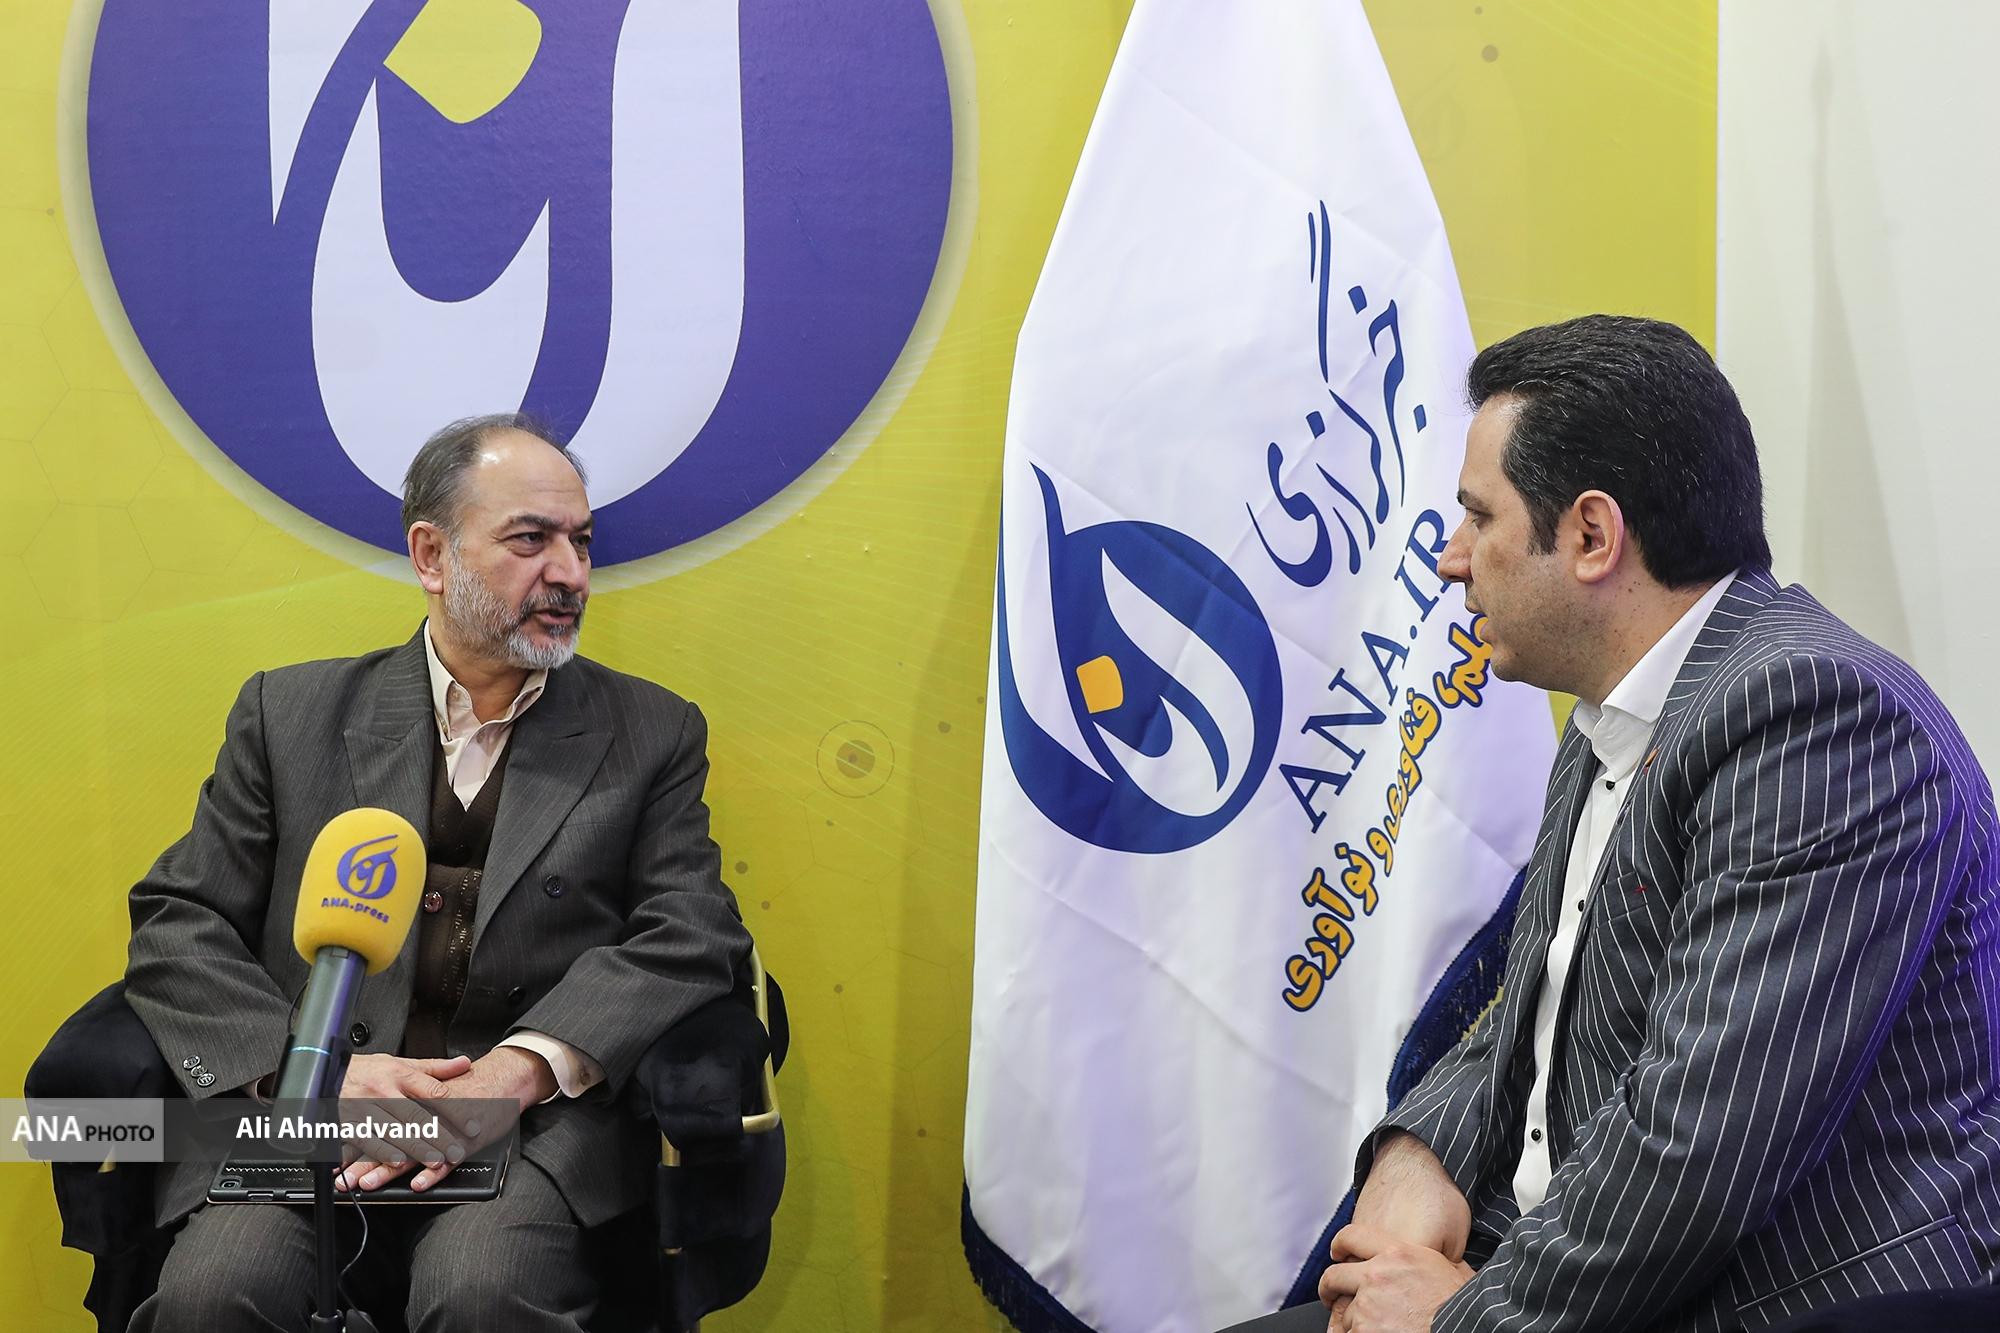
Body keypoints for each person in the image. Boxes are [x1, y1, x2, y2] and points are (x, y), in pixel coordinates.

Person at [1233, 316, 2000, 1333]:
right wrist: (1420, 1151)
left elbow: (1699, 1147)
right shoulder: (1615, 709)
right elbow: (1537, 1001)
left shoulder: (1816, 720)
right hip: (1564, 1265)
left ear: (1591, 536)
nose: (1451, 561)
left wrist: (1461, 1323)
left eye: (1479, 518)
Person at [122, 413, 753, 1330]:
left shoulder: (652, 731)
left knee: (482, 1293)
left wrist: (521, 1069)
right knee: (214, 1294)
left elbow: (692, 932)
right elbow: (180, 917)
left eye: (580, 542)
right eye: (531, 540)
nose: (571, 574)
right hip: (315, 1117)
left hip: (526, 1132)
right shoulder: (287, 713)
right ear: (431, 554)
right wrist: (307, 1071)